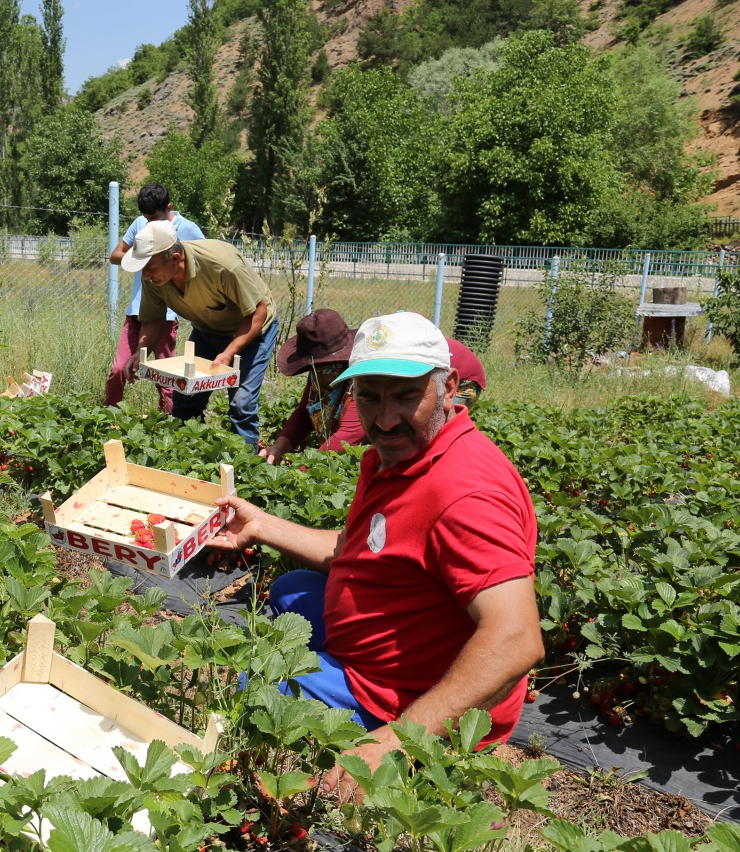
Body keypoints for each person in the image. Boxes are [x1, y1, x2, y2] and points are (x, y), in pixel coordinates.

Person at [208, 312, 542, 801]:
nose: (385, 419)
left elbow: (516, 640)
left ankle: (367, 713)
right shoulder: (405, 456)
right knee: (288, 589)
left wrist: (402, 739)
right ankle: (330, 671)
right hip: (403, 635)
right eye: (370, 396)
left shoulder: (465, 494)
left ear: (449, 388)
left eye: (406, 396)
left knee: (252, 689)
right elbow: (361, 550)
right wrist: (261, 526)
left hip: (407, 692)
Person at [260, 309, 489, 464]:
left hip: (459, 372)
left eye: (323, 367)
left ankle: (432, 468)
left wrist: (303, 471)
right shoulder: (322, 371)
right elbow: (304, 411)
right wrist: (279, 447)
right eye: (313, 368)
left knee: (427, 430)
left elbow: (348, 435)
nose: (317, 374)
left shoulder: (363, 372)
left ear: (338, 362)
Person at [123, 222, 279, 447]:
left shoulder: (222, 265)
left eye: (150, 267)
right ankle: (189, 458)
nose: (145, 275)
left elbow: (258, 312)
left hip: (251, 328)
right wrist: (140, 352)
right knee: (186, 398)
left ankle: (245, 470)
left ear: (175, 259)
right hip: (206, 328)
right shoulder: (155, 279)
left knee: (241, 404)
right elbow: (154, 318)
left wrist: (228, 353)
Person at [104, 184, 205, 410]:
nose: (149, 223)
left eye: (155, 217)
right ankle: (107, 420)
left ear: (168, 207)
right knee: (119, 369)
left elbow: (201, 262)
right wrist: (142, 257)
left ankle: (168, 425)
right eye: (146, 218)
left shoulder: (187, 229)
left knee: (164, 378)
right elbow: (115, 256)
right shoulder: (141, 225)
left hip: (165, 315)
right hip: (137, 312)